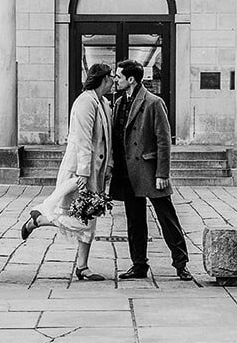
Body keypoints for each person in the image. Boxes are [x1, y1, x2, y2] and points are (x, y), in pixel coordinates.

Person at [20, 63, 115, 281]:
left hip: (97, 170)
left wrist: (109, 165)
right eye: (111, 76)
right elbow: (82, 139)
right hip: (80, 170)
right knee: (78, 216)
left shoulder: (104, 103)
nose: (113, 80)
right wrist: (83, 172)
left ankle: (82, 266)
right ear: (102, 79)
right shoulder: (85, 102)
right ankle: (39, 220)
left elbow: (108, 140)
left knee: (91, 215)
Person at [110, 59, 192, 281]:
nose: (115, 80)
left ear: (131, 79)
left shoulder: (154, 102)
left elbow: (163, 141)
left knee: (167, 217)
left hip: (149, 169)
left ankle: (181, 263)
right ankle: (139, 265)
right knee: (134, 220)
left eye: (118, 77)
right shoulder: (118, 103)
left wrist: (162, 174)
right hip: (126, 170)